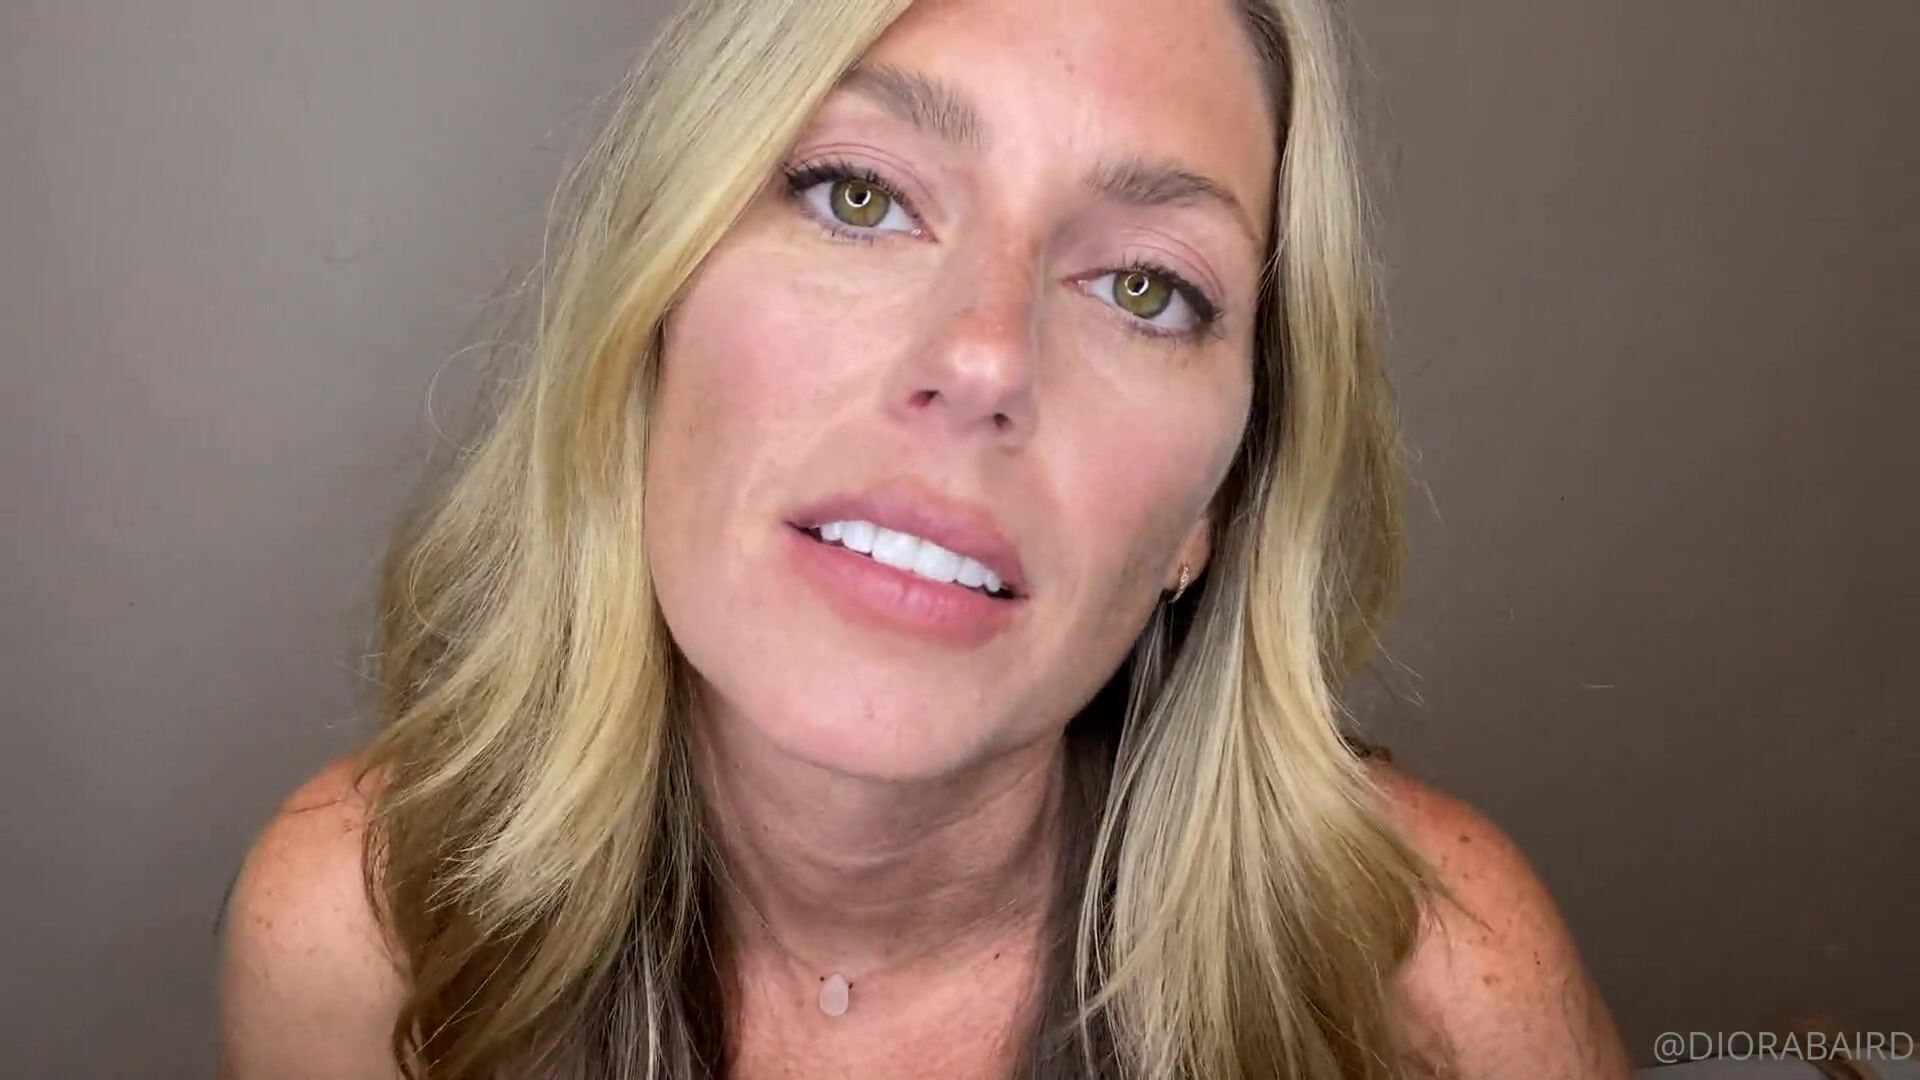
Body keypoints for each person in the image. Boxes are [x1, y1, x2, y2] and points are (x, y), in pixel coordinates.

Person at [218, 0, 1632, 1076]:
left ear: (1215, 502)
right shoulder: (361, 924)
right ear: (653, 315)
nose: (982, 358)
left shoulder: (1438, 986)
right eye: (862, 196)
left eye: (1145, 288)